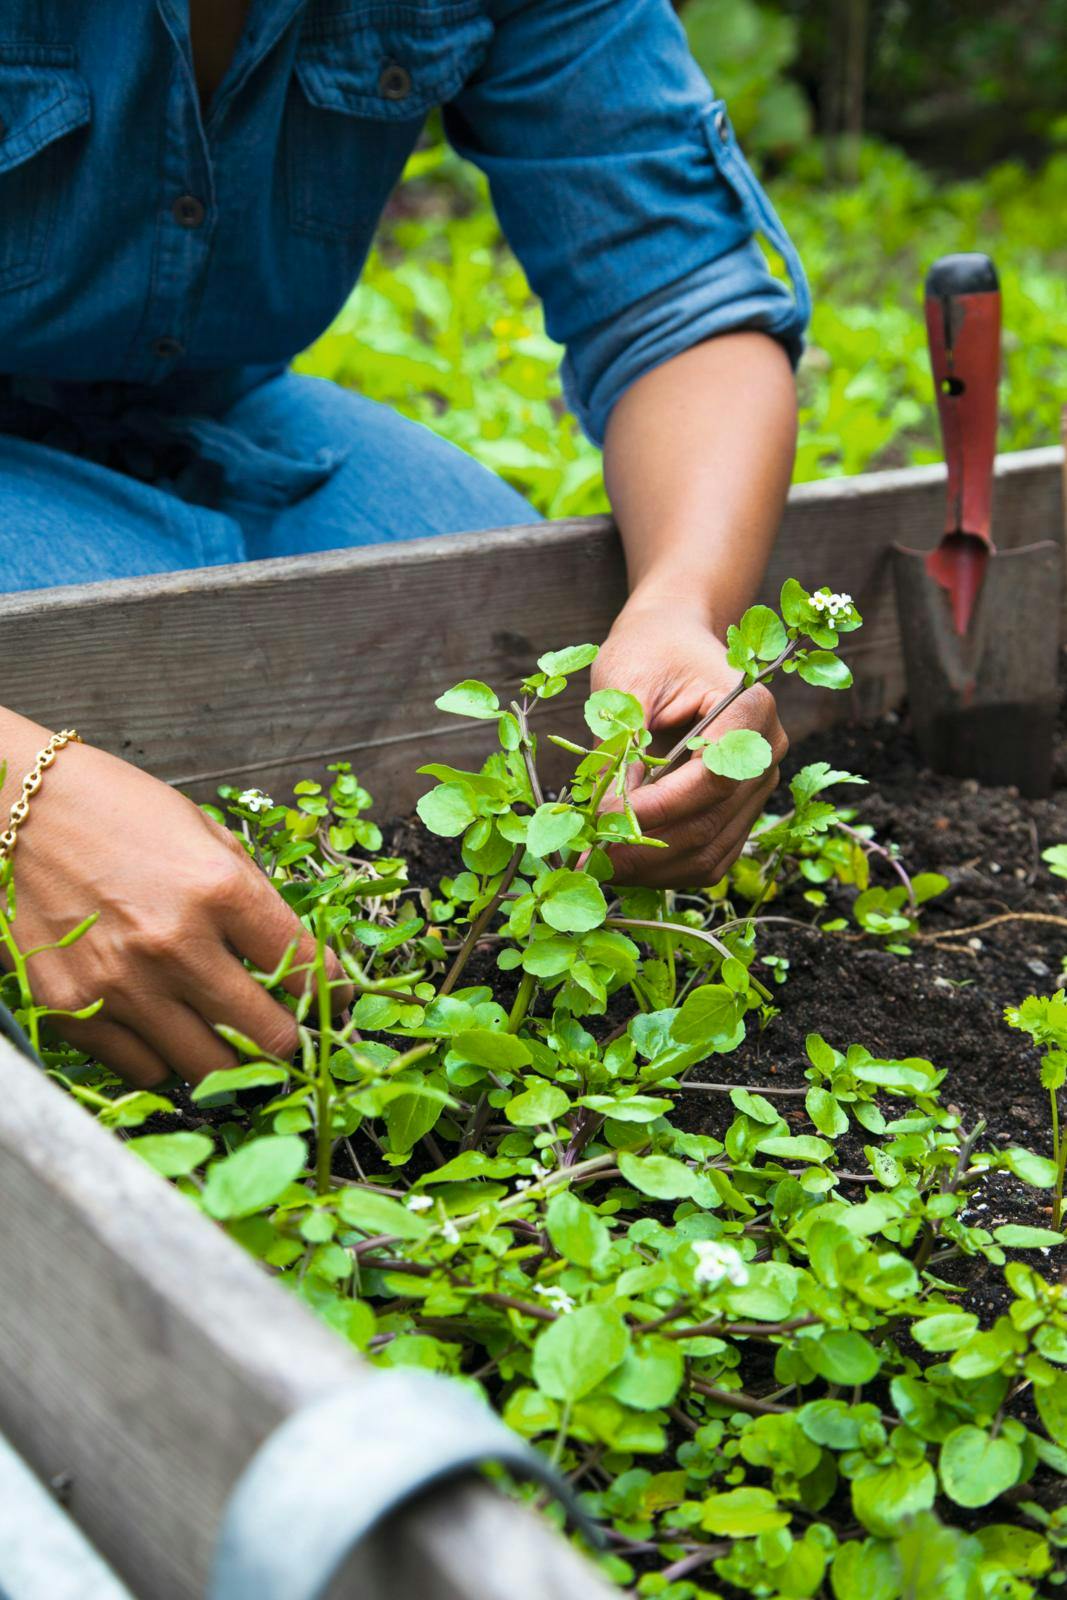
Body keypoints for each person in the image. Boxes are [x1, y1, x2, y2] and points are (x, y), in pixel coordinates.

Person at [0, 0, 806, 1087]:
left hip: (202, 403)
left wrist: (676, 602)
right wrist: (19, 797)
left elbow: (674, 293)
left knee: (505, 661)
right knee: (125, 696)